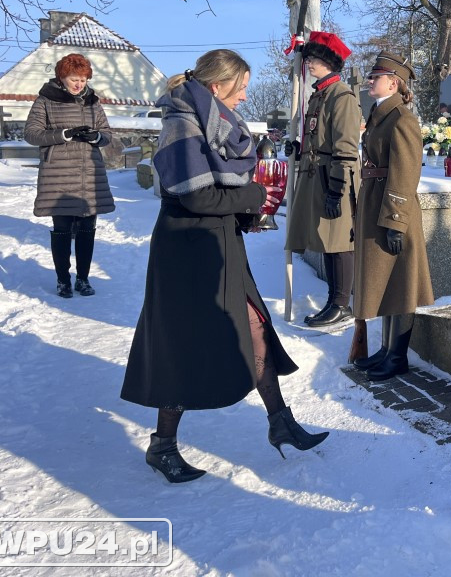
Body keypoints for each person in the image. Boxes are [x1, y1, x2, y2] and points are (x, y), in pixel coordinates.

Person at [121, 49, 328, 483]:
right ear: (217, 87)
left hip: (219, 243)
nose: (245, 97)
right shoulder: (182, 120)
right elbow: (195, 196)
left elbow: (216, 190)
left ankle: (280, 421)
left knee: (253, 324)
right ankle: (162, 446)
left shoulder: (216, 121)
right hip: (186, 252)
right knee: (184, 346)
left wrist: (248, 214)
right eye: (241, 88)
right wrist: (253, 198)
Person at [350, 51, 434, 382]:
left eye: (376, 77)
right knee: (385, 283)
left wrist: (395, 221)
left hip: (392, 211)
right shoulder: (380, 115)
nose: (370, 81)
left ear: (393, 82)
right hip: (376, 204)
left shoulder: (402, 119)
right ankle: (386, 351)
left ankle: (397, 357)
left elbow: (405, 172)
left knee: (400, 284)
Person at [284, 31, 362, 327]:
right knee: (328, 241)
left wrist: (337, 191)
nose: (309, 64)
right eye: (309, 59)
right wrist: (298, 148)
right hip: (317, 174)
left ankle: (341, 303)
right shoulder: (320, 95)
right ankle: (334, 299)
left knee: (339, 241)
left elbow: (344, 146)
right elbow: (315, 136)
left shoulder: (341, 96)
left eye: (314, 59)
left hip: (334, 177)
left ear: (329, 62)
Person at [24, 53, 115, 298]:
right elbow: (31, 134)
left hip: (88, 175)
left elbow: (107, 133)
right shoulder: (45, 100)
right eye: (74, 79)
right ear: (62, 77)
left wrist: (96, 137)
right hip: (58, 175)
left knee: (87, 229)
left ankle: (83, 279)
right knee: (62, 228)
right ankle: (63, 279)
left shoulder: (93, 102)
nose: (79, 84)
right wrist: (63, 134)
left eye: (83, 80)